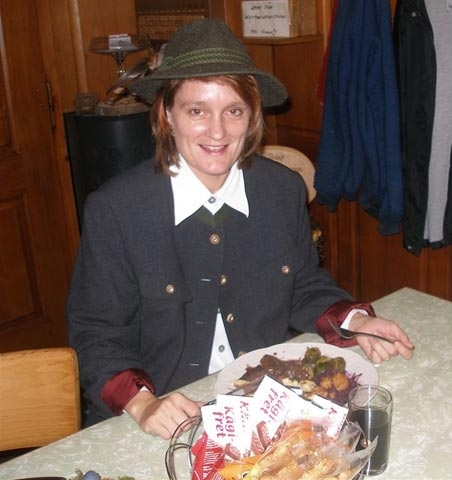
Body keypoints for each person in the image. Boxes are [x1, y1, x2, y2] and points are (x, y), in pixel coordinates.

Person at [66, 19, 414, 439]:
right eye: (197, 111)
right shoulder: (117, 210)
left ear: (252, 117)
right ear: (167, 114)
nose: (218, 132)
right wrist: (143, 403)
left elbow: (301, 285)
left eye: (233, 111)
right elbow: (96, 334)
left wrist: (355, 320)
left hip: (267, 405)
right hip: (163, 415)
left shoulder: (282, 190)